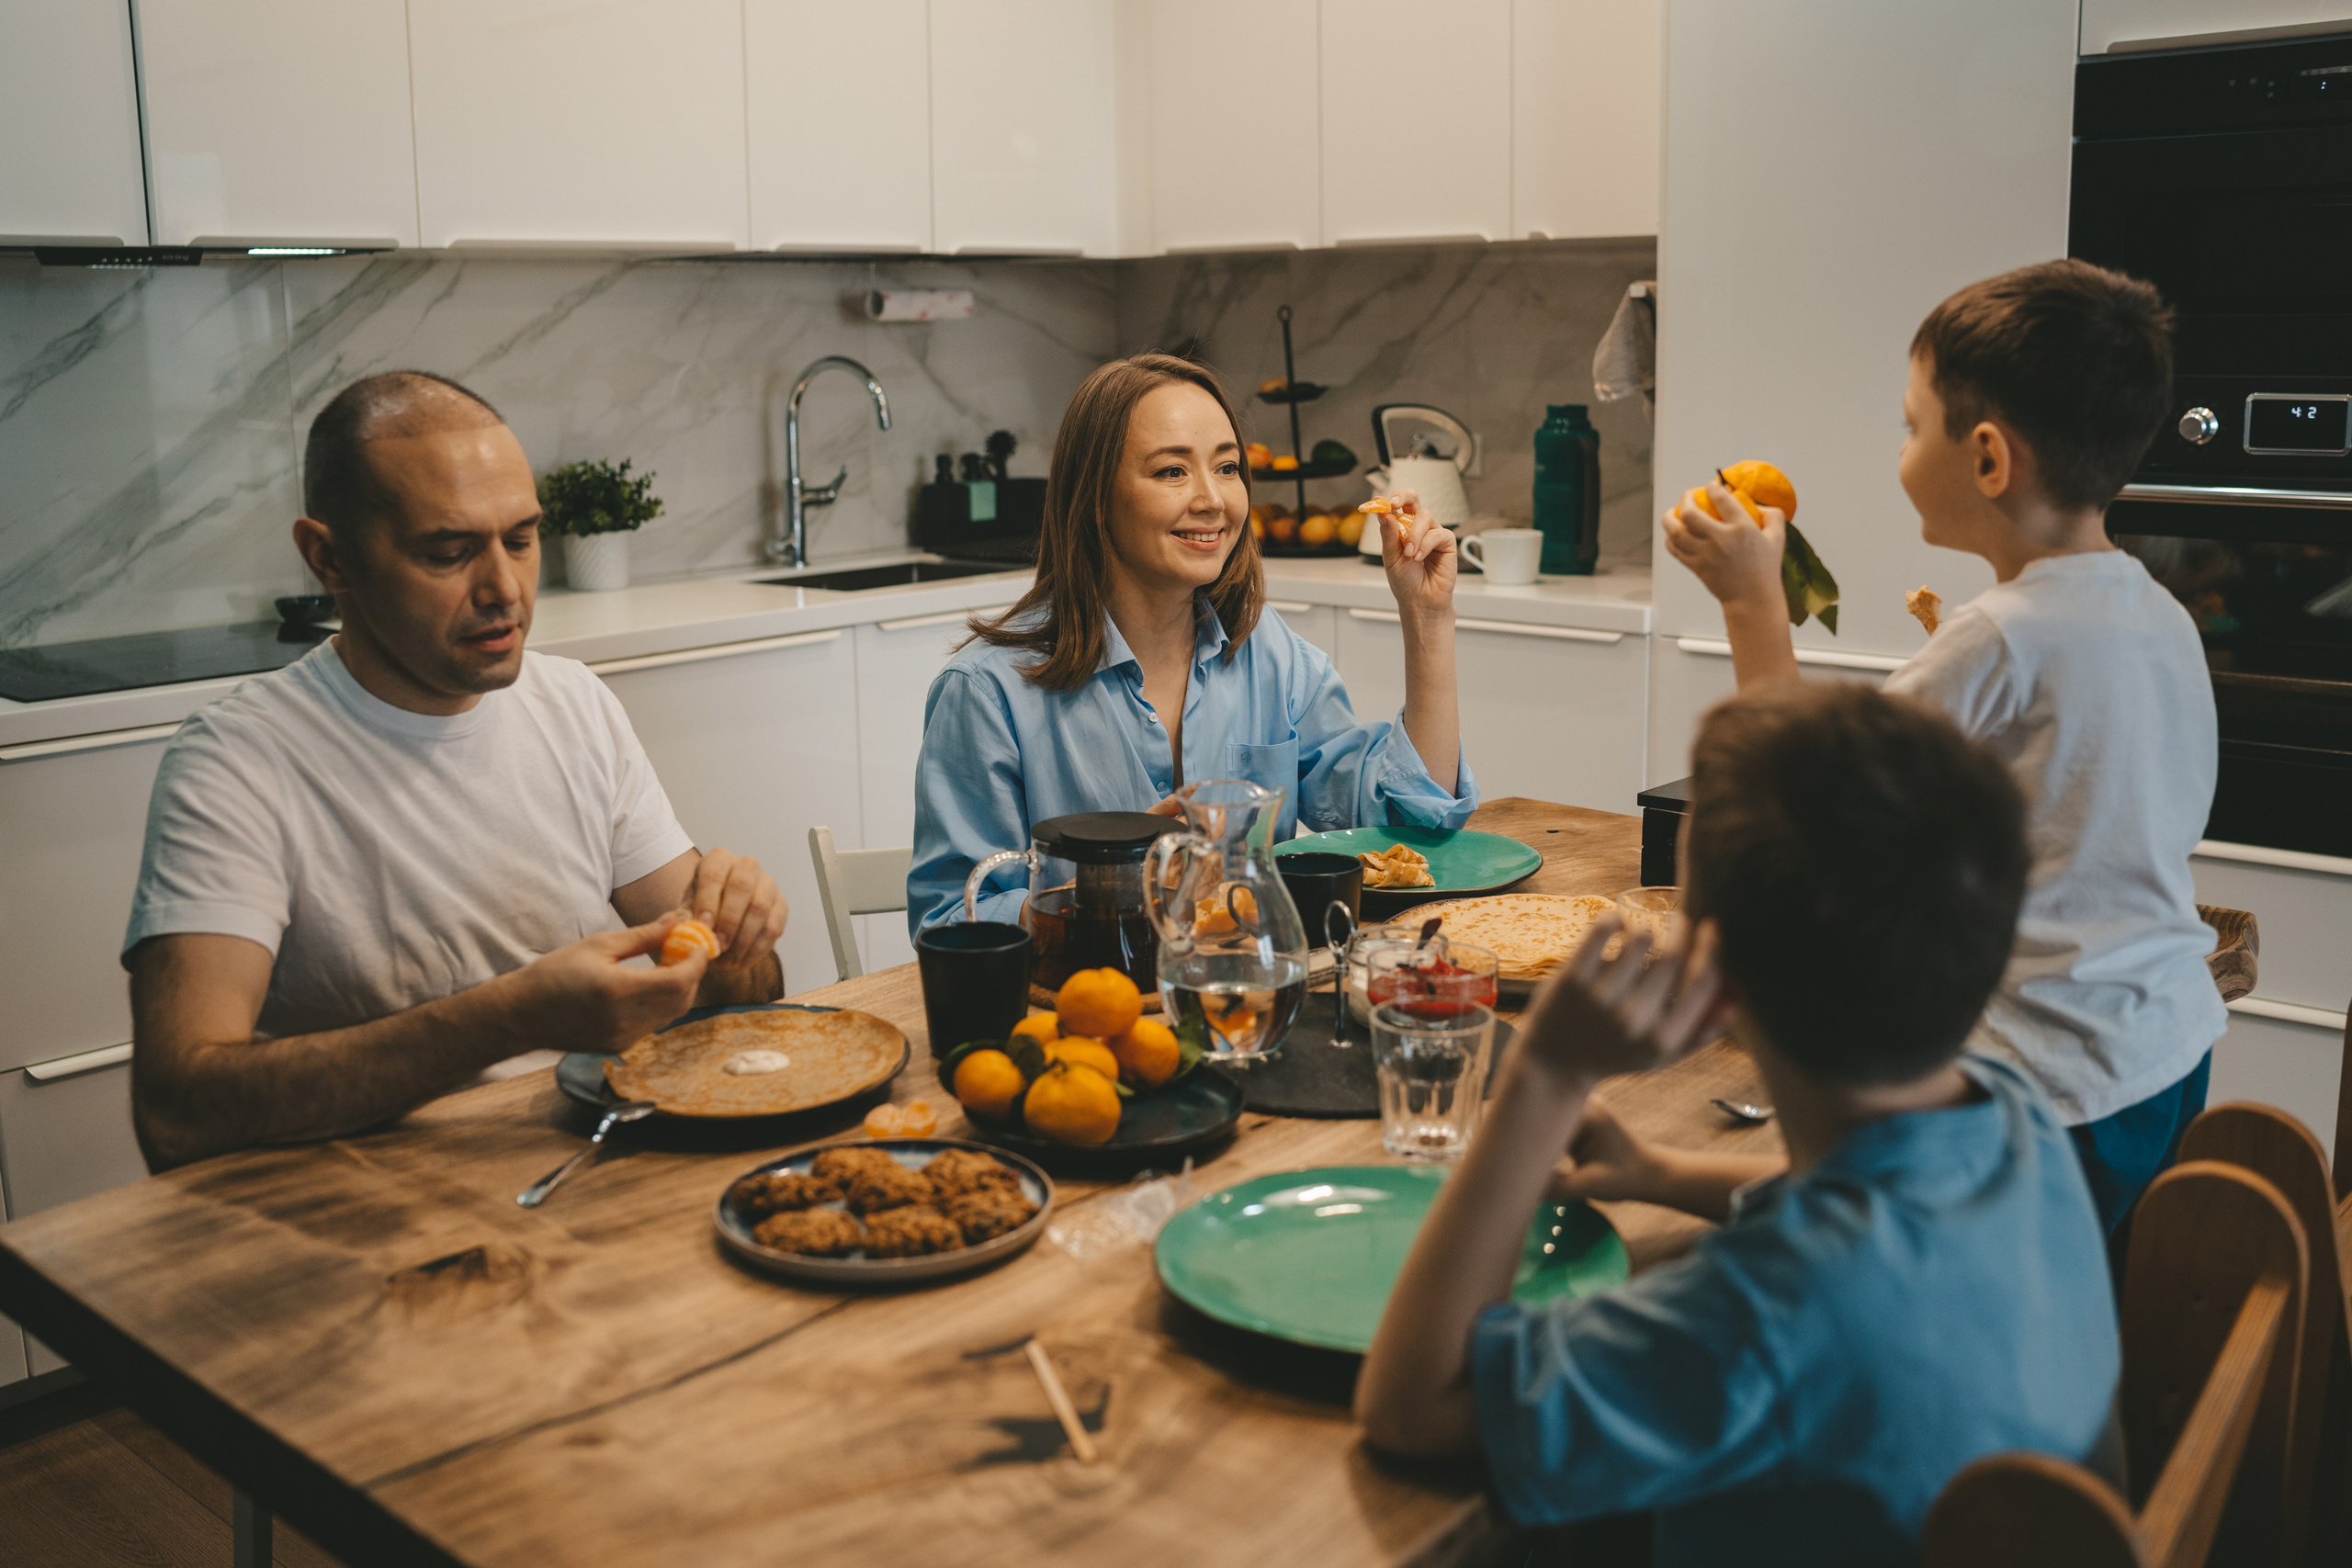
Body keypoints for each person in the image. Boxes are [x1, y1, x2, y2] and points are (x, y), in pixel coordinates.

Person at [1355, 682, 2118, 1567]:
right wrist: (1659, 1173)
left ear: (1710, 975)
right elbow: (1878, 1202)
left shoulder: (1769, 1316)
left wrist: (1544, 1077)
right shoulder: (2015, 1112)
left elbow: (1411, 1404)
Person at [1660, 259, 2223, 1237]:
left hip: (2043, 1077)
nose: (1901, 449)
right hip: (2162, 1045)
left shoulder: (2003, 635)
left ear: (1989, 459)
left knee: (1967, 1286)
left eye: (1911, 425)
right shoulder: (2158, 612)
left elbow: (1799, 801)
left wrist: (1752, 601)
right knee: (2085, 1288)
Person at [125, 371, 787, 1172]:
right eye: (449, 552)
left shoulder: (574, 702)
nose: (504, 589)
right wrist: (508, 1018)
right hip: (368, 1203)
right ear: (329, 559)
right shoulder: (236, 763)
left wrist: (740, 939)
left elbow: (736, 992)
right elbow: (176, 1112)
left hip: (585, 1163)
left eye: (522, 539)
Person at [907, 353, 1476, 934]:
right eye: (1172, 472)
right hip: (1089, 992)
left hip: (1251, 979)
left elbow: (1411, 822)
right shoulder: (988, 691)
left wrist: (1427, 618)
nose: (1213, 500)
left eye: (1227, 468)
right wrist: (1118, 893)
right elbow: (950, 921)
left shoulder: (1266, 650)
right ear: (1095, 497)